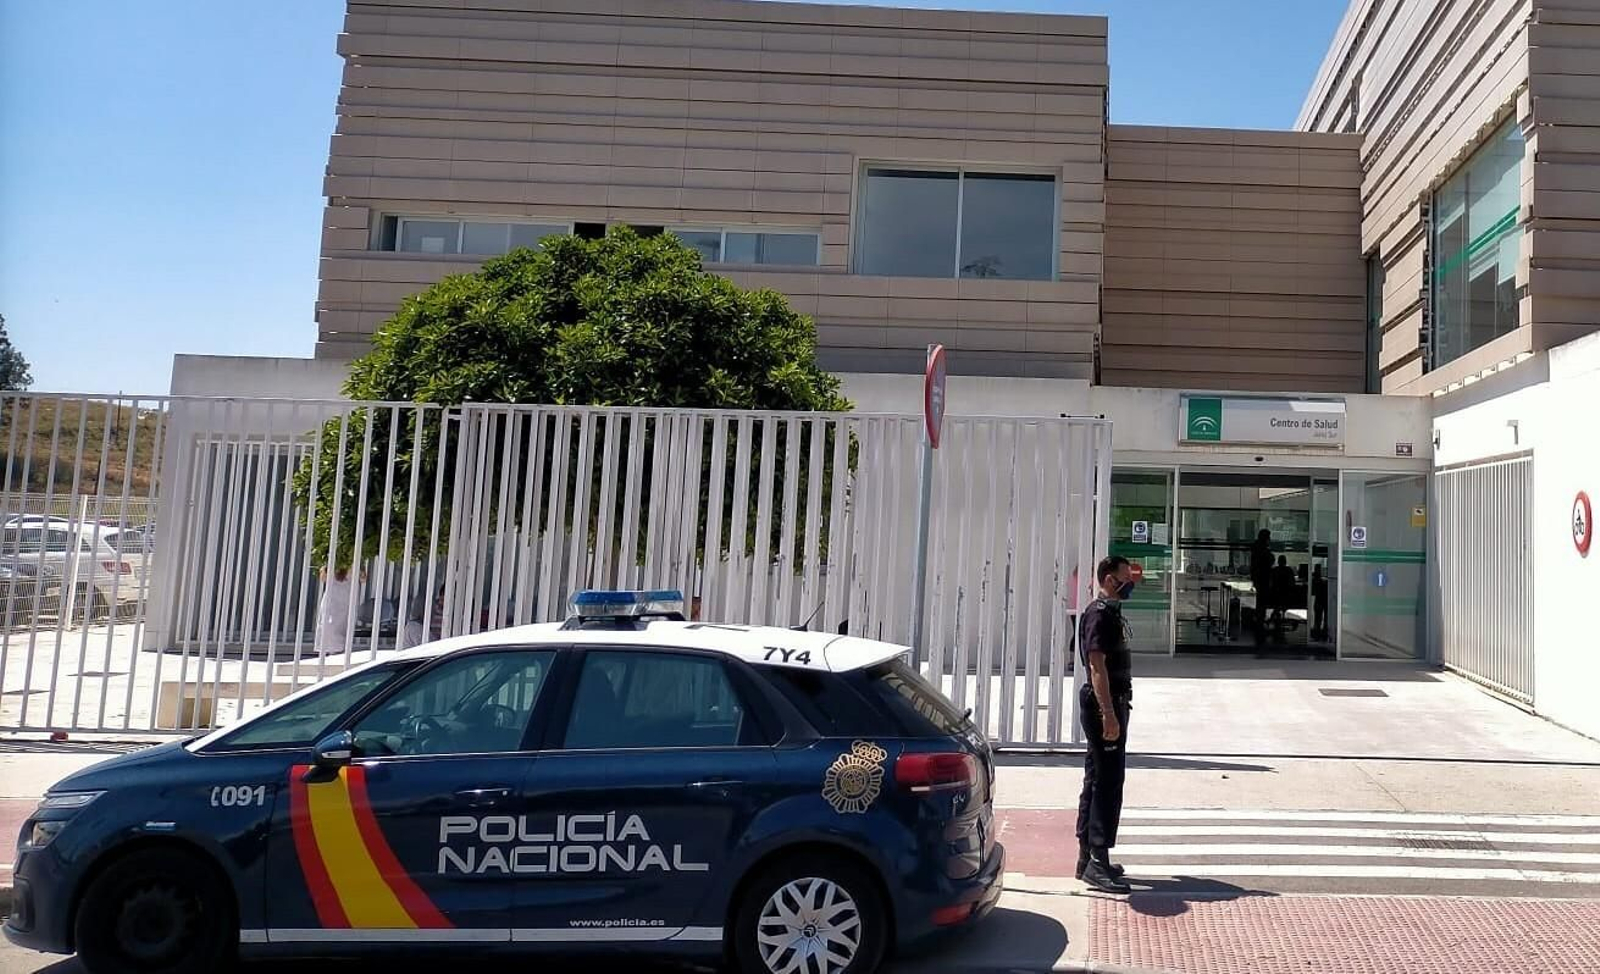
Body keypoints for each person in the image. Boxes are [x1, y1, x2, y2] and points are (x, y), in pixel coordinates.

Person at [1076, 555, 1136, 894]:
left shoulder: (1108, 612)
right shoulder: (1099, 615)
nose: (1130, 583)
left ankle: (1088, 857)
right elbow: (1096, 669)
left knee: (1096, 776)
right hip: (1105, 705)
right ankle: (1097, 861)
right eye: (1126, 578)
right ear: (1110, 579)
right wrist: (1109, 714)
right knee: (1108, 781)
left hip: (1111, 702)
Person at [1248, 529, 1273, 643]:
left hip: (1259, 579)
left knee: (1260, 602)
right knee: (1262, 602)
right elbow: (1268, 560)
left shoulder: (1256, 548)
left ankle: (1260, 622)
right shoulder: (1262, 550)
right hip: (1262, 579)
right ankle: (1260, 623)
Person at [1271, 555, 1297, 630]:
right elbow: (1292, 584)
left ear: (1278, 562)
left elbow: (1271, 583)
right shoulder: (1289, 570)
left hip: (1276, 596)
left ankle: (1275, 613)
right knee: (1282, 602)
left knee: (1278, 603)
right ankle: (1276, 613)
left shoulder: (1275, 570)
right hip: (1286, 596)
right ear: (1285, 562)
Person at [1312, 565, 1329, 640]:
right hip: (1323, 599)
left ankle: (1318, 631)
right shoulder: (1320, 580)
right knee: (1323, 617)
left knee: (1318, 617)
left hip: (1320, 599)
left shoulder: (1316, 579)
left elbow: (1313, 590)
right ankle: (1323, 632)